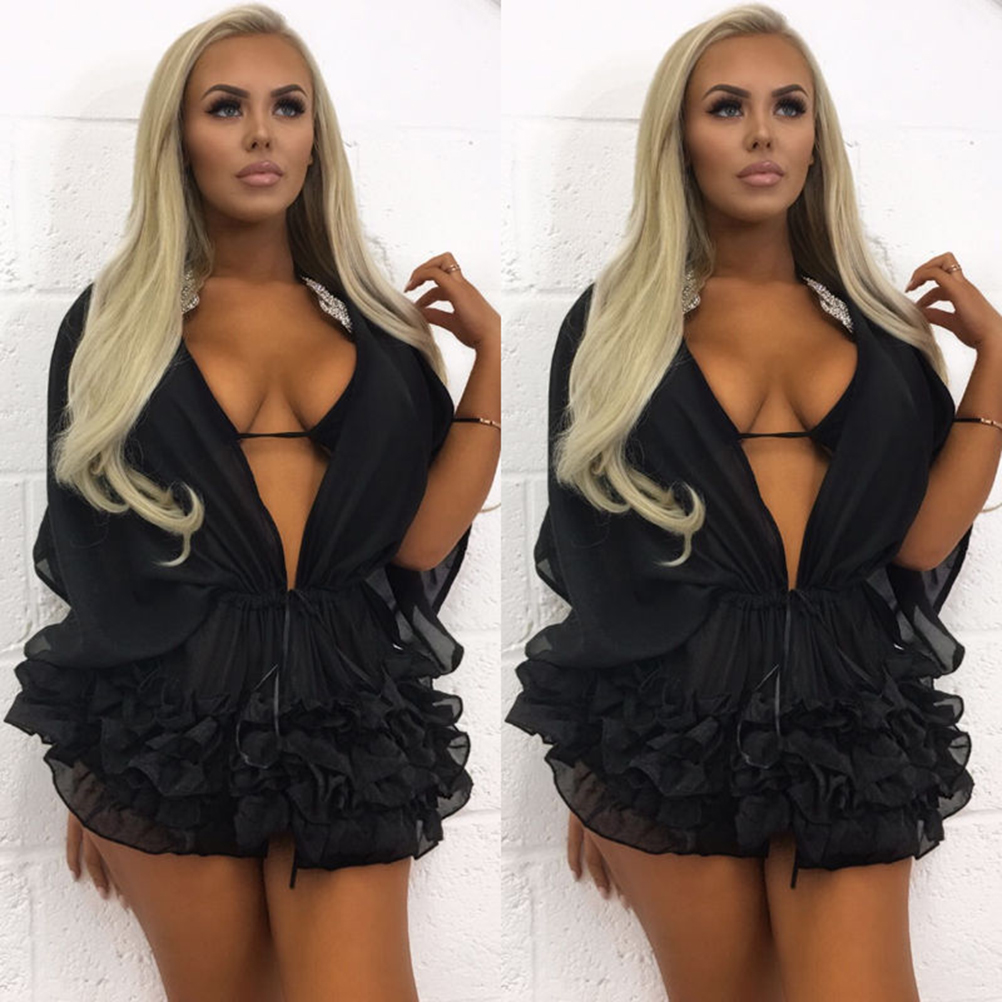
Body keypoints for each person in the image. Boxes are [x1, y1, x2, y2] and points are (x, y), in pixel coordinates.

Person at [3, 5, 500, 1001]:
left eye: (288, 107)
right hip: (169, 720)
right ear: (179, 139)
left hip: (344, 708)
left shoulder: (383, 335)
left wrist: (489, 359)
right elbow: (95, 554)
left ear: (316, 137)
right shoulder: (116, 328)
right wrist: (100, 768)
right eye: (227, 108)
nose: (262, 133)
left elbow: (417, 546)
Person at [504, 5, 999, 1000]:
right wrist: (601, 771)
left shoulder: (884, 335)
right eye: (727, 108)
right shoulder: (615, 330)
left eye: (788, 107)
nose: (763, 133)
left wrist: (995, 362)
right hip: (671, 724)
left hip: (846, 711)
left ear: (817, 137)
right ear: (680, 139)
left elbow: (918, 547)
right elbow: (594, 558)